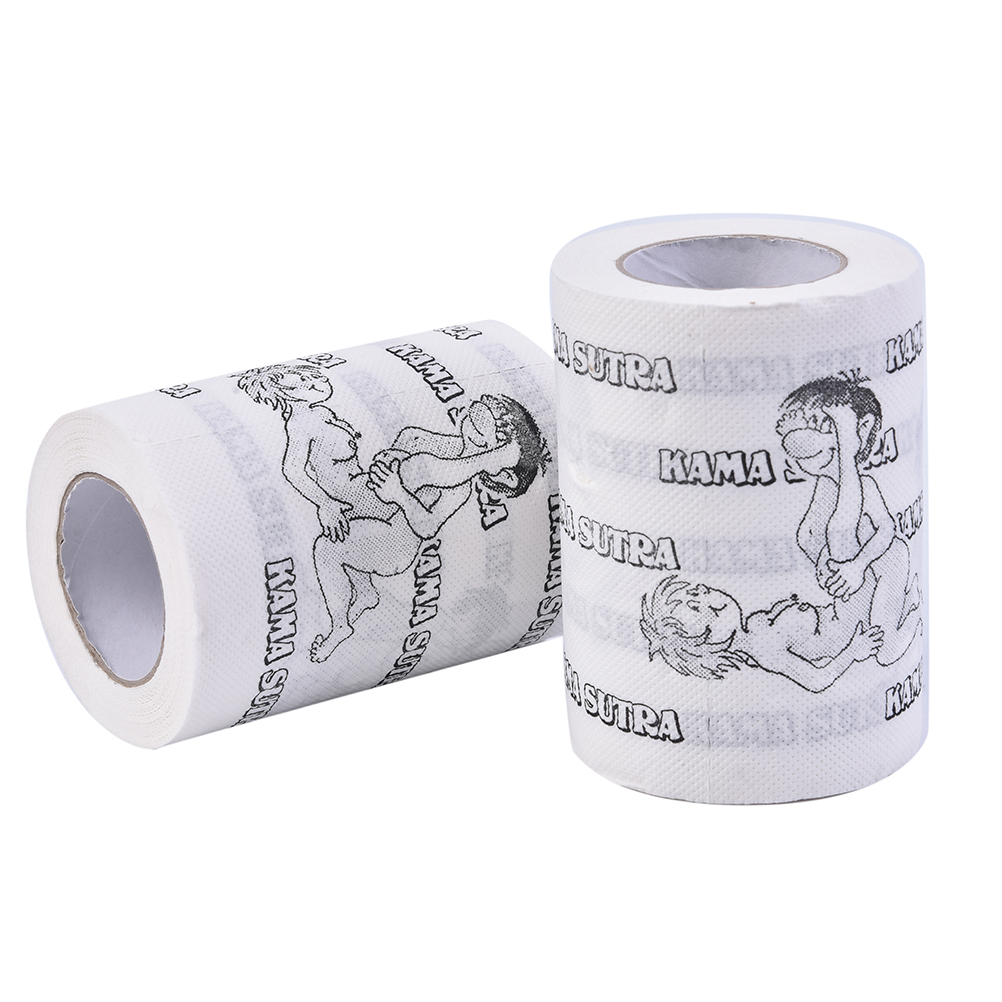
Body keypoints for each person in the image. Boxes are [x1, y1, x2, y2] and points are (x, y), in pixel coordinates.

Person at [236, 364, 548, 661]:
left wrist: (397, 492)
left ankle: (339, 625)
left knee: (327, 550)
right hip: (375, 503)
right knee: (360, 507)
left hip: (395, 541)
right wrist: (393, 455)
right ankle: (365, 592)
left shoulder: (460, 488)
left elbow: (427, 527)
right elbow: (412, 439)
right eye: (478, 408)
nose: (474, 412)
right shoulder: (448, 446)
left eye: (484, 426)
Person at [777, 373, 921, 664]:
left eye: (821, 423)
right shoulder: (824, 486)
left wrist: (857, 566)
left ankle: (914, 615)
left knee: (886, 651)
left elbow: (885, 529)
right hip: (852, 572)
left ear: (860, 430)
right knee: (858, 634)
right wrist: (823, 561)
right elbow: (811, 534)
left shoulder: (865, 485)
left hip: (885, 563)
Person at [640, 575, 884, 693]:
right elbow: (816, 681)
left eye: (694, 591)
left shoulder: (754, 625)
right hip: (855, 622)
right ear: (706, 641)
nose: (702, 589)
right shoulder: (762, 650)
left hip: (844, 607)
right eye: (695, 606)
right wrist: (854, 651)